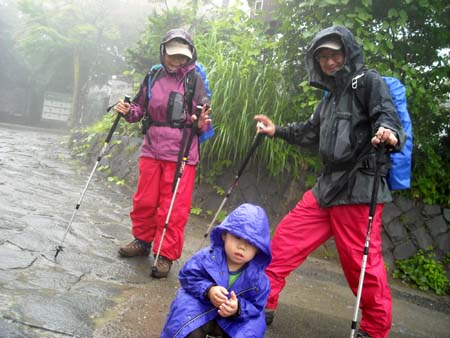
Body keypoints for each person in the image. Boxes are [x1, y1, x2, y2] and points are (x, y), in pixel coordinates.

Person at [254, 26, 406, 338]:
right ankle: (261, 302)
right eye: (322, 57)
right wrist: (276, 130)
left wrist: (388, 132)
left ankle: (375, 330)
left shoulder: (369, 81)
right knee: (283, 242)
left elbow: (387, 115)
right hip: (327, 187)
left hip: (359, 189)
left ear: (347, 52)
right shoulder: (330, 98)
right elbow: (308, 132)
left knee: (360, 267)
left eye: (334, 54)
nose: (329, 62)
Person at [115, 28, 212, 278]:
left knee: (174, 207)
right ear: (163, 52)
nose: (176, 60)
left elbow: (204, 117)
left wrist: (200, 123)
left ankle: (166, 254)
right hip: (152, 148)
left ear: (190, 55)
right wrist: (127, 111)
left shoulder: (194, 79)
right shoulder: (153, 75)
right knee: (144, 199)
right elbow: (138, 109)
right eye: (172, 55)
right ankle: (142, 241)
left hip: (181, 152)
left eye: (182, 56)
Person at [161, 203, 272, 338]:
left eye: (251, 243)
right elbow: (187, 276)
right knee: (184, 311)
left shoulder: (259, 279)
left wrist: (238, 309)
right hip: (202, 306)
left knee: (253, 326)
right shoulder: (206, 257)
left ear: (259, 249)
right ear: (224, 235)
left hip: (233, 319)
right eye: (237, 237)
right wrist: (208, 290)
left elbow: (257, 306)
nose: (242, 246)